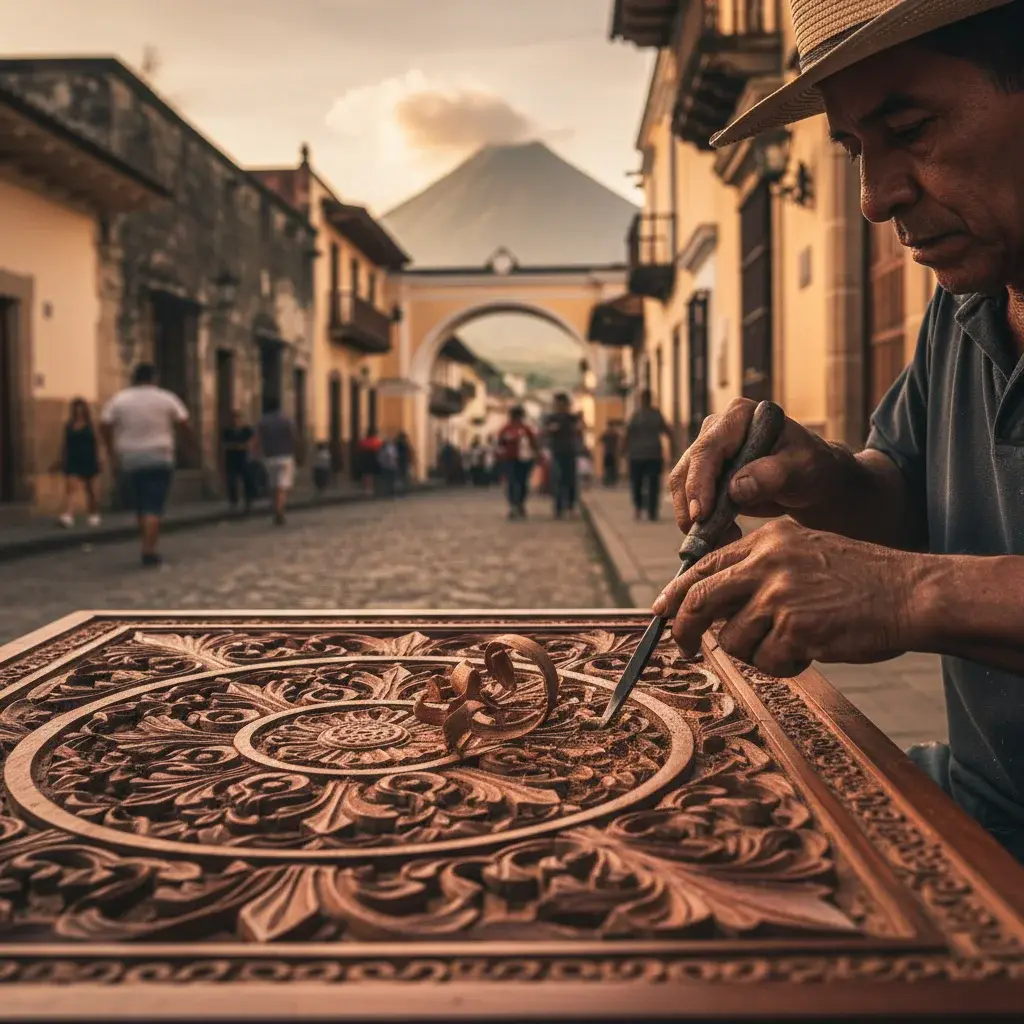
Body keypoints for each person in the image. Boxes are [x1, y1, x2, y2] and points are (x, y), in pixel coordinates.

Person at [656, 0, 1024, 862]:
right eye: (858, 149)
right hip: (986, 807)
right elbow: (900, 493)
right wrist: (815, 477)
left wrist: (908, 593)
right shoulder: (967, 307)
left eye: (910, 127)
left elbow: (911, 568)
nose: (873, 197)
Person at [99, 363, 191, 566]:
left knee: (141, 505)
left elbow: (104, 423)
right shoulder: (167, 398)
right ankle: (149, 549)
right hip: (160, 456)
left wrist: (111, 450)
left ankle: (146, 542)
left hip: (130, 458)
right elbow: (184, 423)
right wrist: (185, 444)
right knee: (154, 505)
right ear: (154, 378)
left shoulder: (120, 399)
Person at [625, 389, 674, 522]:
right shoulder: (642, 415)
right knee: (641, 484)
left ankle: (647, 510)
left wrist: (623, 449)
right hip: (643, 455)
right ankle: (643, 508)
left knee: (646, 484)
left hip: (648, 455)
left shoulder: (642, 415)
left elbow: (627, 433)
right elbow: (668, 432)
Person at [57, 398, 101, 529]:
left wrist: (100, 457)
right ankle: (68, 516)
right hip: (73, 459)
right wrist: (61, 458)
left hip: (89, 458)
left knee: (91, 490)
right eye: (76, 409)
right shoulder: (69, 426)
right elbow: (65, 444)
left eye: (81, 409)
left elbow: (97, 443)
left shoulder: (91, 425)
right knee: (71, 489)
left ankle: (93, 514)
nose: (79, 412)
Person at [256, 398, 296, 526]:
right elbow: (294, 436)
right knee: (282, 487)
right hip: (285, 456)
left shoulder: (262, 422)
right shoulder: (286, 420)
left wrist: (257, 454)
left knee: (274, 486)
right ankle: (279, 511)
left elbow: (257, 439)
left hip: (269, 457)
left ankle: (275, 508)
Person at [497, 406, 539, 519]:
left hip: (521, 459)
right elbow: (500, 443)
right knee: (516, 483)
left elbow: (533, 443)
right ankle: (516, 505)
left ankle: (517, 505)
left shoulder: (517, 429)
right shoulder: (510, 429)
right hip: (512, 459)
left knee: (518, 483)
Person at [545, 393, 581, 519]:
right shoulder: (551, 418)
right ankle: (559, 507)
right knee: (558, 480)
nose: (559, 407)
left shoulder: (572, 418)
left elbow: (580, 430)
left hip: (570, 451)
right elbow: (547, 431)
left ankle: (570, 506)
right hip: (557, 452)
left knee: (570, 480)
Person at [221, 410, 254, 514]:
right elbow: (224, 444)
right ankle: (233, 503)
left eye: (238, 419)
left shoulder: (246, 430)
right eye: (234, 419)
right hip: (231, 458)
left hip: (244, 458)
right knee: (231, 481)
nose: (236, 421)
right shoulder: (227, 431)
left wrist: (243, 446)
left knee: (247, 480)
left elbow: (252, 442)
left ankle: (248, 502)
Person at [358, 429, 382, 494]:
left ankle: (367, 488)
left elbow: (361, 448)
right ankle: (373, 487)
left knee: (366, 474)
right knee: (373, 474)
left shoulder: (364, 441)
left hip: (366, 458)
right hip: (374, 458)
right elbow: (379, 448)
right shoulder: (376, 441)